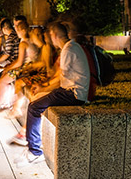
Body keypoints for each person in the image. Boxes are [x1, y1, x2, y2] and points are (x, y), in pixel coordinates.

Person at [15, 21, 93, 167]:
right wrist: (43, 88)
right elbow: (61, 78)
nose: (50, 38)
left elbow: (60, 81)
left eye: (51, 35)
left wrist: (43, 88)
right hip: (71, 91)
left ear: (55, 35)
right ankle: (33, 146)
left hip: (73, 94)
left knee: (34, 107)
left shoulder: (68, 50)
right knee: (36, 101)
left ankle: (35, 152)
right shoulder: (71, 47)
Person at [0, 20, 33, 113]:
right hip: (26, 66)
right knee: (3, 78)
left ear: (21, 30)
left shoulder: (23, 43)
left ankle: (2, 104)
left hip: (25, 68)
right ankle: (5, 102)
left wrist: (8, 68)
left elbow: (19, 62)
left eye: (17, 30)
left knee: (2, 81)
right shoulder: (26, 40)